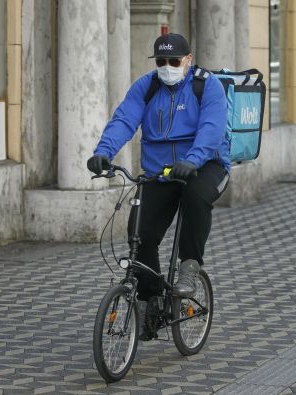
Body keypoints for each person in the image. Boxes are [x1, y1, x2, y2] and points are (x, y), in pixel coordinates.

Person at [86, 33, 230, 339]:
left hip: (206, 165)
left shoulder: (207, 85)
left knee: (195, 195)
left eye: (173, 61)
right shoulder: (147, 86)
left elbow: (212, 128)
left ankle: (189, 267)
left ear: (188, 61)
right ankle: (150, 300)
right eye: (161, 61)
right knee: (140, 233)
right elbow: (125, 119)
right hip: (161, 172)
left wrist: (194, 159)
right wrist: (103, 152)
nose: (167, 67)